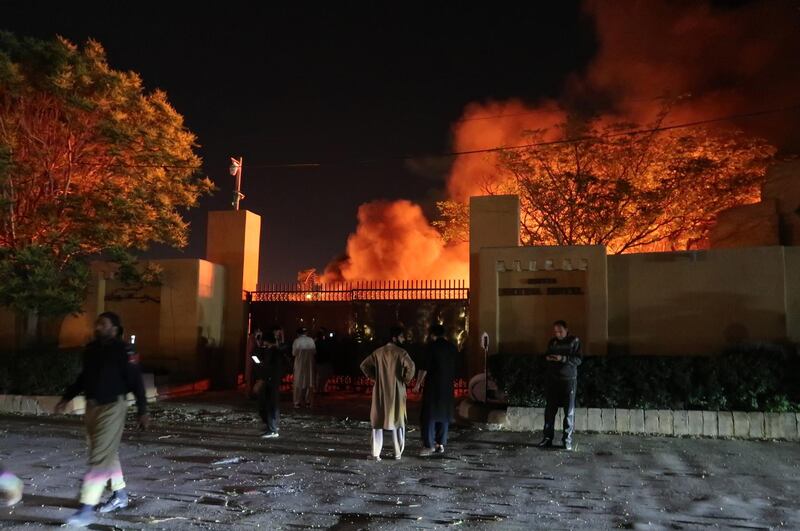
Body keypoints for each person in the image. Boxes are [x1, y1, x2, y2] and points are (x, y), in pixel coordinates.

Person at [56, 312, 149, 527]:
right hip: (92, 408)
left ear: (114, 329)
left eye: (103, 324)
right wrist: (66, 398)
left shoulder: (125, 351)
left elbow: (136, 382)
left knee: (99, 458)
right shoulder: (91, 350)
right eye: (97, 323)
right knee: (106, 453)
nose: (98, 327)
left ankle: (86, 509)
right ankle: (120, 494)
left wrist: (142, 410)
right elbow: (83, 378)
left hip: (113, 408)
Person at [360, 325, 415, 461]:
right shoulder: (401, 353)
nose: (403, 339)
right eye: (401, 336)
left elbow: (364, 365)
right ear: (395, 338)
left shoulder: (378, 352)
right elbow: (411, 367)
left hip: (380, 389)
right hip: (397, 390)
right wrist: (405, 380)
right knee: (398, 421)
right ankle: (397, 453)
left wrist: (374, 377)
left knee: (377, 422)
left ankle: (375, 454)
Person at [537, 320, 582, 451]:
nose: (558, 334)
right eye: (555, 331)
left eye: (560, 331)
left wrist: (562, 359)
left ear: (566, 330)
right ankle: (547, 438)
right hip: (553, 380)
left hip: (568, 380)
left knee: (569, 411)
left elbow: (578, 360)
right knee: (550, 411)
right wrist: (548, 358)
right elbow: (546, 355)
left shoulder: (574, 341)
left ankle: (567, 440)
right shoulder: (553, 342)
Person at [414, 324, 458, 457]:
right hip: (447, 387)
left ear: (433, 335)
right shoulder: (451, 347)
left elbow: (424, 368)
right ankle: (440, 444)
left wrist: (417, 384)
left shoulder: (431, 347)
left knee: (429, 416)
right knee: (443, 416)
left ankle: (429, 445)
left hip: (433, 386)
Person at [253, 332, 282, 438]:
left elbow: (265, 367)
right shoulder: (275, 351)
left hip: (269, 381)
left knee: (269, 405)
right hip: (271, 381)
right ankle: (272, 427)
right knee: (270, 405)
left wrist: (262, 379)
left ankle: (272, 429)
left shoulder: (272, 352)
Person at [291, 327, 316, 408]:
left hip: (299, 364)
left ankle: (297, 402)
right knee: (309, 383)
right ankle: (308, 401)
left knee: (298, 383)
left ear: (298, 333)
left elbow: (294, 353)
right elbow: (314, 352)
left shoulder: (296, 341)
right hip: (309, 364)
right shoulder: (311, 340)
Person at [315, 328, 334, 394]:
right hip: (321, 361)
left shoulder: (319, 342)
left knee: (321, 376)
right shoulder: (319, 342)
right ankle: (320, 389)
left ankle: (320, 389)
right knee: (321, 376)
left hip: (321, 361)